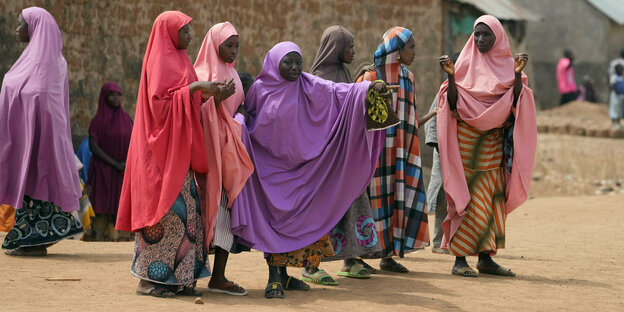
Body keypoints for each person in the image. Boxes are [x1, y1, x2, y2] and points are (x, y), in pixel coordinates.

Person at [230, 41, 393, 299]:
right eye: (288, 63)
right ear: (274, 63)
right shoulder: (259, 91)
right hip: (269, 172)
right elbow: (248, 121)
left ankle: (284, 276)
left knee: (297, 223)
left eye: (298, 62)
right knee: (275, 223)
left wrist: (368, 89)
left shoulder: (309, 84)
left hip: (304, 170)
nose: (295, 68)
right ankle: (273, 277)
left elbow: (340, 92)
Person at [115, 11, 226, 298]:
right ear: (169, 32)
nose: (190, 36)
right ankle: (150, 280)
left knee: (188, 216)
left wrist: (208, 94)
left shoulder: (182, 61)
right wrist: (194, 88)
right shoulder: (159, 61)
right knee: (165, 217)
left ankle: (180, 278)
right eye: (185, 30)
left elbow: (186, 102)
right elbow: (159, 108)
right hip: (160, 157)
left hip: (181, 155)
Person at [437, 15, 537, 277]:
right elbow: (453, 105)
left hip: (492, 145)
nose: (480, 39)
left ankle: (485, 257)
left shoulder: (510, 69)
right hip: (467, 145)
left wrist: (516, 75)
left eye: (486, 35)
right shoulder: (462, 67)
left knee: (492, 199)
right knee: (464, 197)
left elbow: (516, 103)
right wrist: (451, 78)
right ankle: (459, 259)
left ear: (498, 38)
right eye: (477, 34)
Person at [0, 7, 83, 257]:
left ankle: (36, 239)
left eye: (20, 24)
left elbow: (46, 102)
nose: (17, 29)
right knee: (28, 189)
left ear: (35, 27)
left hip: (46, 140)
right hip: (25, 137)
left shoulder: (55, 64)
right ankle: (29, 238)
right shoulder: (28, 60)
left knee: (42, 187)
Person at [301, 25, 379, 285]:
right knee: (321, 209)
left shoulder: (345, 73)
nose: (354, 52)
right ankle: (310, 266)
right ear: (337, 48)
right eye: (350, 46)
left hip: (347, 156)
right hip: (325, 159)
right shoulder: (316, 80)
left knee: (353, 202)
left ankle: (351, 260)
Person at [356, 26, 436, 273]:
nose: (415, 52)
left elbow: (408, 118)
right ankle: (358, 255)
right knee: (370, 202)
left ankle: (388, 254)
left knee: (396, 199)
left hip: (400, 153)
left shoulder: (408, 77)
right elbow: (358, 118)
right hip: (374, 154)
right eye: (411, 46)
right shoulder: (371, 76)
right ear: (397, 51)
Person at [193, 21, 254, 296]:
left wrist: (238, 111)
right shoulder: (201, 73)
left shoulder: (233, 74)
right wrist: (215, 101)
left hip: (228, 153)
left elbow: (238, 103)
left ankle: (218, 276)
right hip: (206, 156)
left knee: (226, 214)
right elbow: (192, 112)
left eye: (236, 46)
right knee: (202, 213)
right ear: (214, 44)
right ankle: (189, 273)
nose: (233, 51)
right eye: (229, 45)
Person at [88, 82, 133, 241]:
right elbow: (93, 146)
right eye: (112, 94)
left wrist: (127, 164)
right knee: (102, 209)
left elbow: (135, 142)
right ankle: (98, 242)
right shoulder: (98, 121)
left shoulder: (127, 119)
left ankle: (121, 241)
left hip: (122, 172)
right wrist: (115, 163)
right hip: (103, 172)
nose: (116, 97)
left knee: (121, 208)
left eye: (118, 94)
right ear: (104, 97)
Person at [426, 52, 459, 255]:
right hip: (445, 152)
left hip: (461, 152)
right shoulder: (445, 90)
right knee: (442, 198)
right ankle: (439, 241)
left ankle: (458, 241)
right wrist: (440, 147)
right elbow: (434, 121)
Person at [608, 64, 624, 129]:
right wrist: (616, 92)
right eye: (620, 69)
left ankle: (618, 122)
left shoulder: (622, 77)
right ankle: (614, 123)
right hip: (615, 96)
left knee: (620, 109)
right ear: (616, 69)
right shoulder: (614, 77)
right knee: (614, 108)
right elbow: (612, 86)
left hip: (621, 95)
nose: (622, 70)